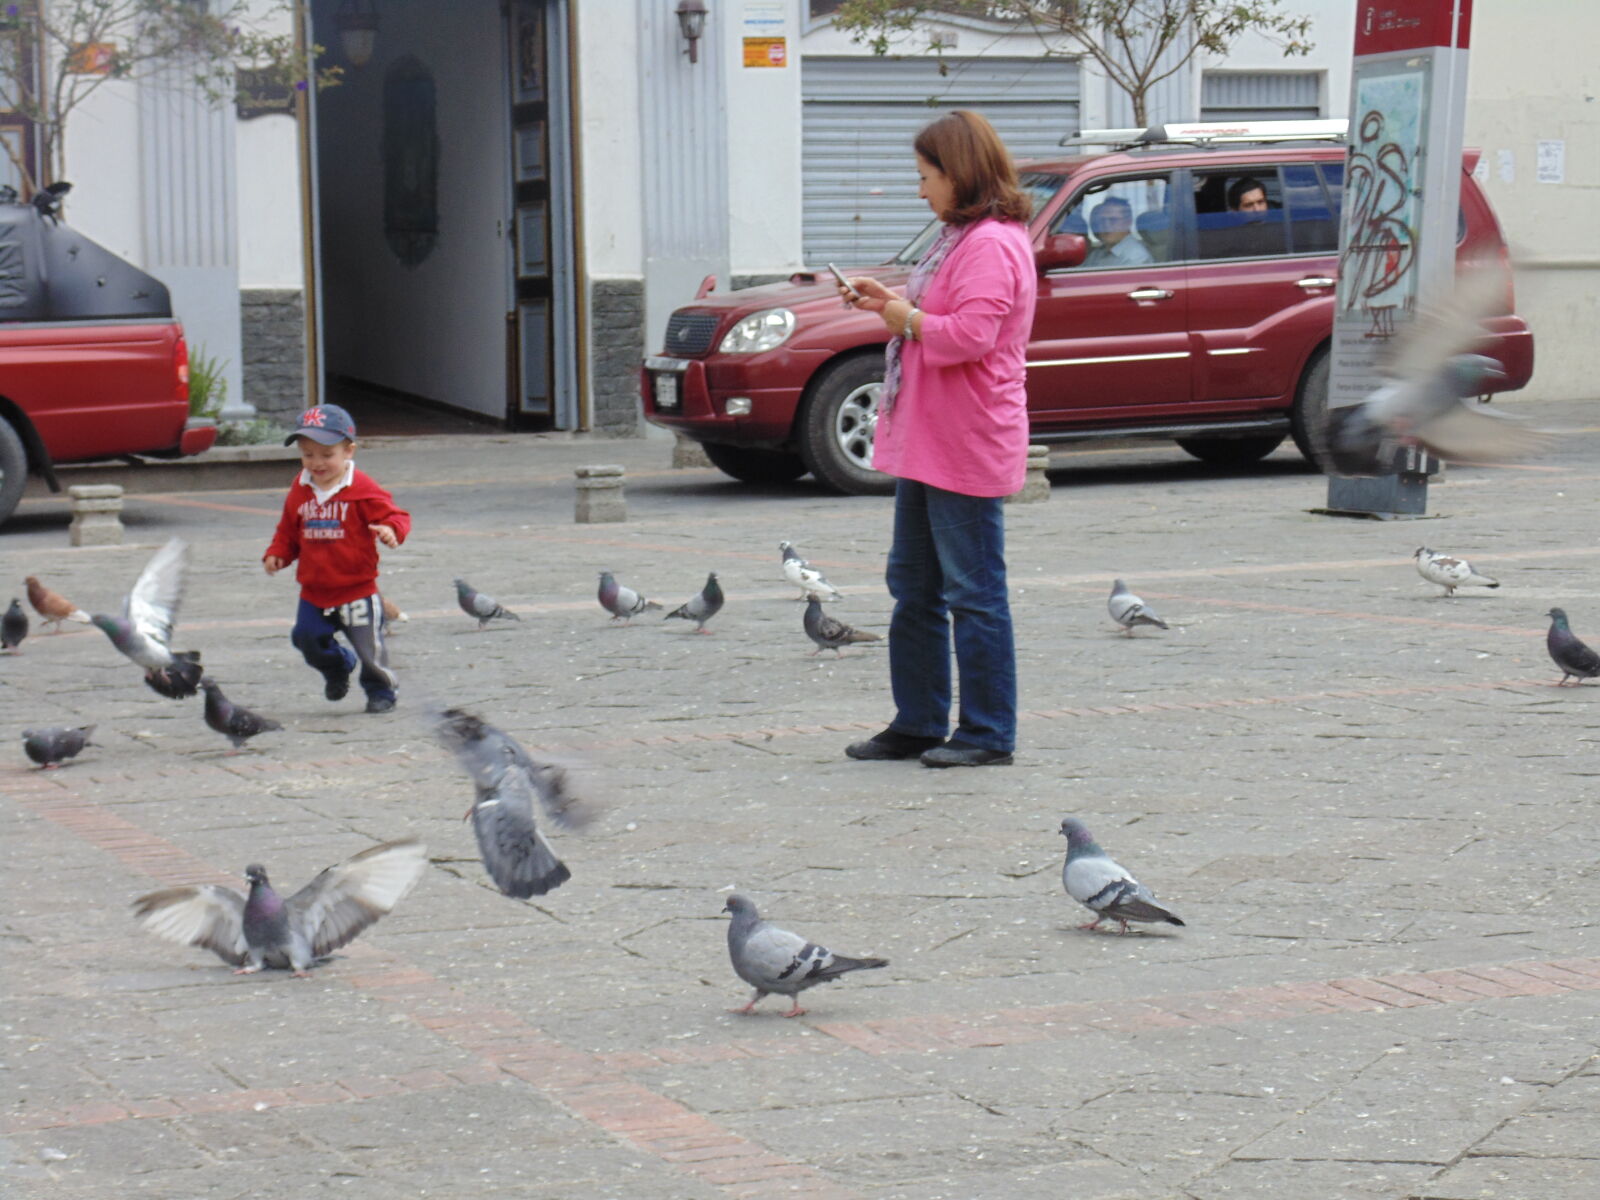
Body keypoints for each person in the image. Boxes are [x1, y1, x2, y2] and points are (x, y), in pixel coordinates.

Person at [838, 109, 1037, 768]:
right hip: (929, 437)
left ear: (960, 173)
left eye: (928, 176)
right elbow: (937, 316)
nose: (921, 189)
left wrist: (904, 316)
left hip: (966, 440)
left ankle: (987, 732)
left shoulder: (992, 244)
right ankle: (919, 720)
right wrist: (886, 302)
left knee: (973, 593)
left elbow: (970, 336)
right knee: (914, 587)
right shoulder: (958, 237)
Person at [264, 404, 410, 714]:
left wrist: (390, 530)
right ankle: (337, 666)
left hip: (357, 589)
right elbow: (289, 528)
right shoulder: (300, 487)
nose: (316, 463)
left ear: (348, 451)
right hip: (315, 590)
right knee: (306, 638)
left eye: (326, 455)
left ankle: (380, 690)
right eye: (308, 454)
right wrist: (278, 553)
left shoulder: (361, 488)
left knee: (370, 648)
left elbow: (395, 515)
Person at [1083, 195, 1153, 267]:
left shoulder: (1136, 257)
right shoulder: (1098, 253)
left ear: (1128, 222)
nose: (1106, 225)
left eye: (1113, 220)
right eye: (1102, 220)